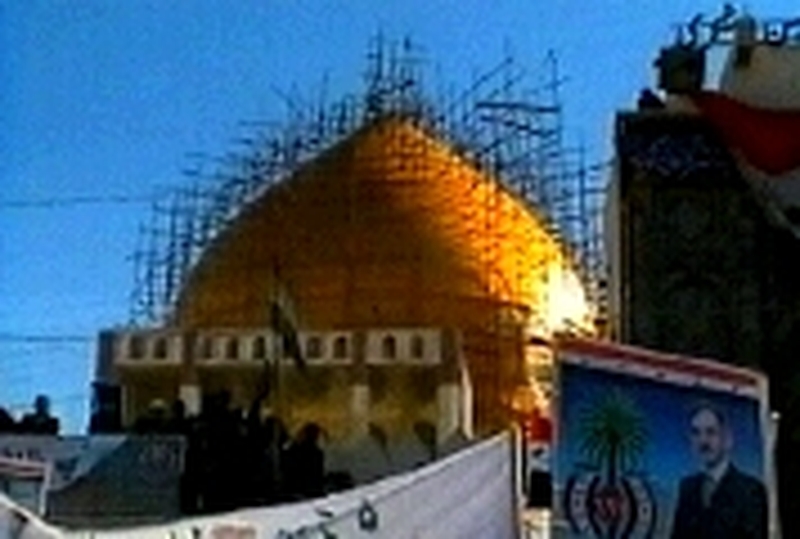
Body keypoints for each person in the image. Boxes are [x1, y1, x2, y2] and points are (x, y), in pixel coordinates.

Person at [670, 404, 768, 539]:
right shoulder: (687, 487)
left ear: (727, 439)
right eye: (696, 433)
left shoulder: (750, 490)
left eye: (711, 432)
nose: (703, 441)